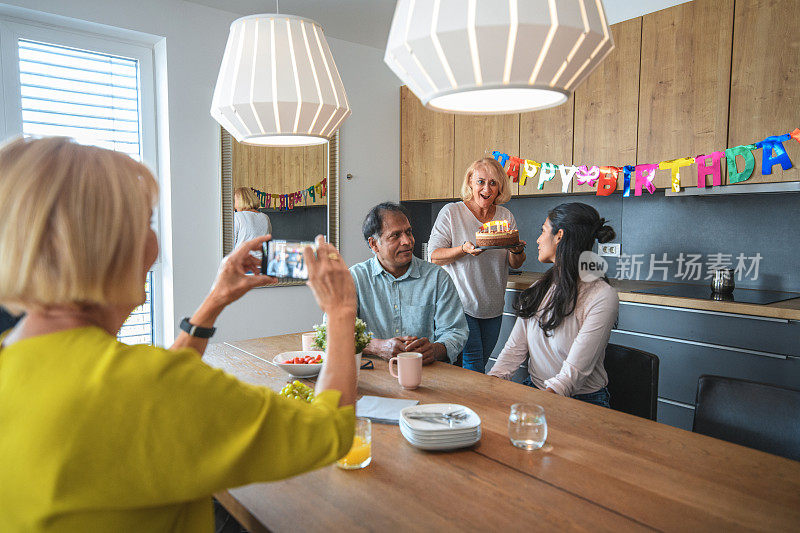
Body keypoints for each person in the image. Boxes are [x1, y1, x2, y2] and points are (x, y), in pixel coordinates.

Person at [0, 136, 357, 532]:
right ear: (112, 246)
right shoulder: (150, 388)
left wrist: (216, 299)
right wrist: (341, 313)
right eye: (147, 224)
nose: (155, 243)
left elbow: (154, 385)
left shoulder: (14, 360)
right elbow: (329, 432)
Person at [488, 203, 619, 408]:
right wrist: (491, 383)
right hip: (536, 391)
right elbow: (513, 351)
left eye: (543, 231)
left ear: (559, 235)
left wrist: (534, 410)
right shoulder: (538, 288)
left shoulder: (601, 295)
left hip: (582, 403)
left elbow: (570, 377)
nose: (538, 239)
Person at [428, 158, 526, 373]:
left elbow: (515, 262)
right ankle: (475, 407)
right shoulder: (452, 213)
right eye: (481, 181)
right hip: (460, 303)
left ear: (500, 187)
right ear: (470, 182)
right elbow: (434, 256)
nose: (486, 188)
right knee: (474, 364)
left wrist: (517, 249)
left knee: (479, 362)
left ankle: (459, 403)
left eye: (493, 183)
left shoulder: (505, 216)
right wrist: (463, 249)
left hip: (492, 304)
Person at [350, 202, 468, 365]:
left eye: (408, 232)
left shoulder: (437, 277)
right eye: (395, 235)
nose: (407, 241)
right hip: (370, 375)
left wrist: (435, 350)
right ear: (374, 244)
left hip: (425, 375)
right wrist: (376, 347)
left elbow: (455, 332)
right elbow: (333, 333)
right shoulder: (354, 278)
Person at [233, 186, 271, 257]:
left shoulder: (237, 216)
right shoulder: (265, 217)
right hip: (261, 263)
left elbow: (230, 243)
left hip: (243, 262)